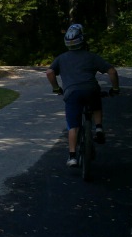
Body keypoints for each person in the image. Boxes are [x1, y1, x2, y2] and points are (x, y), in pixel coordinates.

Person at [46, 23, 120, 167]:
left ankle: (72, 156)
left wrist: (56, 88)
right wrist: (115, 88)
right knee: (96, 98)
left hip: (72, 93)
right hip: (91, 90)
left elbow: (49, 72)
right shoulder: (91, 56)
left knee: (73, 125)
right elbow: (112, 71)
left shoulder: (61, 58)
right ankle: (98, 127)